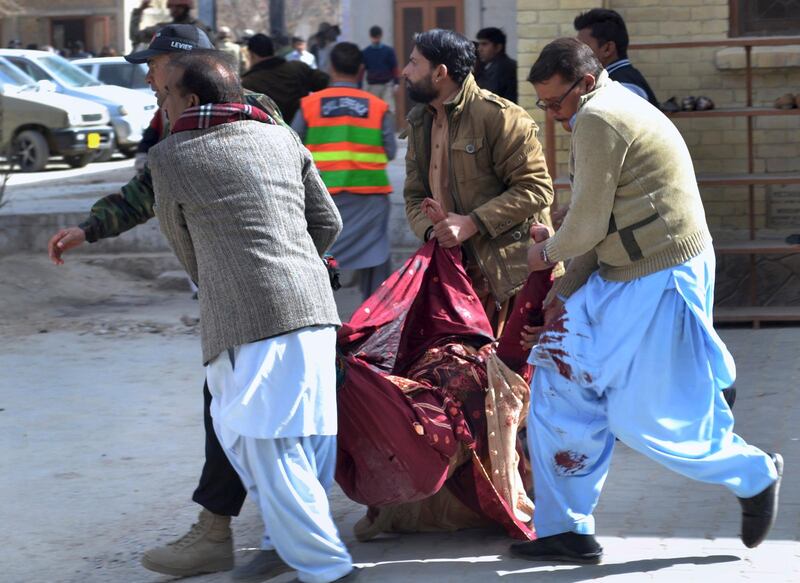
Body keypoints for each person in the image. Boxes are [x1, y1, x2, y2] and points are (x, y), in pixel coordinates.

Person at [510, 37, 782, 564]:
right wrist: (562, 293)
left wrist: (545, 256)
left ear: (585, 83)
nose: (551, 114)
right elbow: (600, 226)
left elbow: (584, 227)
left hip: (660, 275)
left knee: (641, 415)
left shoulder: (600, 117)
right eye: (543, 104)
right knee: (560, 385)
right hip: (622, 274)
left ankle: (752, 472)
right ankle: (566, 529)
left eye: (555, 102)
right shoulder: (596, 111)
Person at [45, 25, 291, 581]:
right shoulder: (174, 112)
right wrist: (91, 227)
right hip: (235, 289)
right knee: (235, 410)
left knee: (257, 414)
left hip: (265, 287)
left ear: (187, 66)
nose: (147, 74)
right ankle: (253, 530)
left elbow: (295, 192)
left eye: (152, 63)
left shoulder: (245, 110)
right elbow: (152, 188)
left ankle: (269, 535)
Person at [151, 49, 358, 583]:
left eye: (164, 95)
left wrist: (234, 278)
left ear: (190, 100)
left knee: (262, 443)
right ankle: (281, 543)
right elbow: (327, 219)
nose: (161, 103)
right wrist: (295, 262)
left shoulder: (171, 157)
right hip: (314, 305)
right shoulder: (280, 136)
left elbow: (186, 250)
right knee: (307, 439)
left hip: (251, 320)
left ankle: (326, 567)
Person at [402, 28, 557, 336]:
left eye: (414, 63)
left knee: (515, 380)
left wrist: (472, 222)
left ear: (440, 73)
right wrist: (435, 230)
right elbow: (414, 196)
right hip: (455, 279)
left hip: (510, 280)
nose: (405, 71)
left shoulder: (501, 117)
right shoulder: (419, 121)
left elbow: (537, 188)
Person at [292, 42, 396, 300]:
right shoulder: (377, 106)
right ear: (361, 70)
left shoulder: (310, 105)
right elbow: (391, 151)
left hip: (322, 201)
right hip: (370, 199)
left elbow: (293, 147)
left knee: (315, 259)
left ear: (330, 68)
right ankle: (373, 324)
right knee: (376, 260)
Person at [574, 8, 658, 107]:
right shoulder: (614, 79)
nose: (577, 54)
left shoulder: (624, 88)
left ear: (607, 49)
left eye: (583, 48)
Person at [242, 33, 329, 123]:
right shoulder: (298, 68)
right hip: (305, 128)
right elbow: (328, 83)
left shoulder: (248, 83)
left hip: (273, 134)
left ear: (252, 54)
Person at [130, 0, 214, 49]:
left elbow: (213, 51)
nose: (174, 10)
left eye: (178, 7)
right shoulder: (165, 29)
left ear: (186, 8)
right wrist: (139, 11)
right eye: (171, 7)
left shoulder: (199, 28)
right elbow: (136, 36)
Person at [474, 27, 517, 103]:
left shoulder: (505, 68)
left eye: (484, 44)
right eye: (479, 44)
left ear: (498, 47)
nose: (480, 49)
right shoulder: (486, 66)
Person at [361, 25, 399, 111]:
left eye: (377, 37)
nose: (376, 40)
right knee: (372, 110)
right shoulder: (366, 52)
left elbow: (394, 67)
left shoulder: (388, 51)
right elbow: (362, 70)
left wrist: (396, 83)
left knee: (388, 109)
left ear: (381, 36)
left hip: (386, 85)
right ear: (371, 37)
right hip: (372, 86)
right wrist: (359, 85)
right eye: (374, 37)